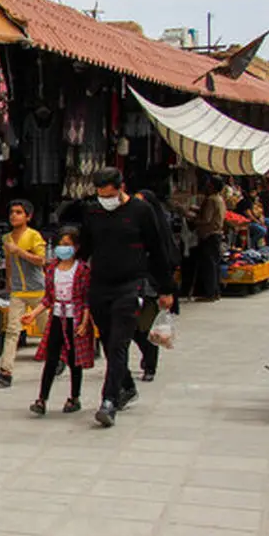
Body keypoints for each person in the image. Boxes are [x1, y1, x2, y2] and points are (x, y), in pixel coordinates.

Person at [78, 169, 175, 428]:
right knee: (108, 340)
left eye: (109, 195)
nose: (105, 200)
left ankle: (108, 401)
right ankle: (128, 386)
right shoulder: (93, 212)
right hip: (100, 285)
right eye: (100, 195)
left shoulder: (141, 211)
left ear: (121, 188)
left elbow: (158, 250)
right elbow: (85, 248)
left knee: (118, 344)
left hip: (130, 285)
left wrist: (166, 289)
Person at [20, 227, 94, 416]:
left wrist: (84, 323)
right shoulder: (52, 268)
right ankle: (42, 399)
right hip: (56, 317)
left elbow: (86, 300)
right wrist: (33, 314)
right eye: (61, 244)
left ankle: (74, 397)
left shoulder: (83, 269)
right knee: (51, 359)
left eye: (67, 244)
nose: (63, 248)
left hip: (74, 318)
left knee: (74, 360)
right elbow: (48, 298)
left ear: (76, 247)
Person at [0, 200, 47, 388]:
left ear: (28, 216)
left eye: (19, 212)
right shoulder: (7, 238)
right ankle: (6, 371)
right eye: (12, 212)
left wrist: (19, 251)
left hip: (37, 290)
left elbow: (41, 260)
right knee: (12, 330)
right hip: (18, 291)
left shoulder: (33, 236)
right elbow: (9, 262)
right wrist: (9, 282)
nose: (14, 215)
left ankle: (59, 358)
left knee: (46, 329)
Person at [131, 189, 182, 382]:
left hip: (151, 288)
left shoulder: (159, 233)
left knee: (145, 328)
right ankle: (147, 358)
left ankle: (150, 365)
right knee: (130, 329)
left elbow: (167, 263)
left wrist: (165, 291)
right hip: (131, 285)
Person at [191, 176, 226, 301]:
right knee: (214, 265)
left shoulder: (211, 200)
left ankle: (210, 293)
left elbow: (206, 219)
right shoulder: (219, 199)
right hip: (216, 234)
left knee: (209, 265)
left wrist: (193, 219)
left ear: (212, 186)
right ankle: (215, 292)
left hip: (209, 234)